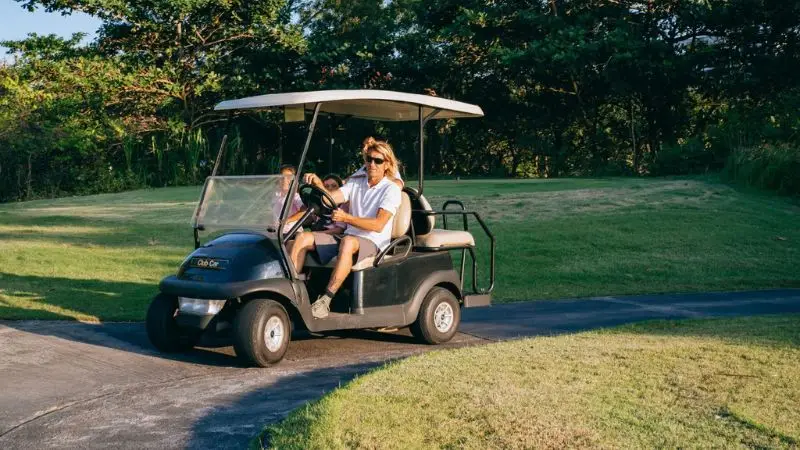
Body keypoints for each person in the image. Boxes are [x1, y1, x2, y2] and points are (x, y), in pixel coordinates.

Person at [289, 138, 402, 319]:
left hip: (373, 241)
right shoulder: (357, 183)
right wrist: (317, 185)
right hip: (349, 236)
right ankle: (292, 294)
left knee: (348, 242)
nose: (372, 164)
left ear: (387, 164)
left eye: (378, 161)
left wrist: (347, 218)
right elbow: (332, 198)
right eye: (369, 159)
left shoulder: (391, 190)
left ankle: (326, 299)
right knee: (303, 238)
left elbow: (378, 225)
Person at [272, 164, 305, 230]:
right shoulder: (275, 194)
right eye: (282, 177)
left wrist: (287, 220)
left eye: (289, 177)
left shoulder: (294, 196)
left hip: (291, 232)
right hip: (275, 230)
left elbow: (304, 211)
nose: (285, 180)